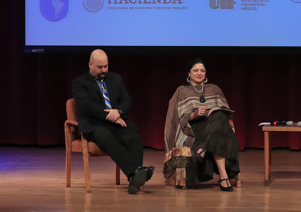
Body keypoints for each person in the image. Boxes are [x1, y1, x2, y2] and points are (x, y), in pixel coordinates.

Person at [72, 49, 153, 194]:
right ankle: (135, 173)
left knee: (134, 138)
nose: (104, 70)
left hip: (115, 121)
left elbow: (126, 101)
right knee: (107, 137)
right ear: (90, 64)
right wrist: (110, 115)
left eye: (106, 66)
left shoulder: (115, 78)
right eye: (100, 67)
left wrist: (119, 112)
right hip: (94, 124)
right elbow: (86, 106)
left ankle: (134, 179)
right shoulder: (80, 83)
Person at [163, 58, 240, 191]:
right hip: (194, 129)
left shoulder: (214, 89)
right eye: (196, 70)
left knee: (219, 115)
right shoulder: (182, 91)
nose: (199, 73)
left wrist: (216, 110)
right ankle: (224, 178)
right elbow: (179, 117)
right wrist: (196, 114)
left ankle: (204, 149)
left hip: (215, 125)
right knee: (219, 131)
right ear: (189, 73)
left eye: (202, 71)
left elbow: (226, 111)